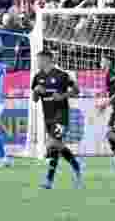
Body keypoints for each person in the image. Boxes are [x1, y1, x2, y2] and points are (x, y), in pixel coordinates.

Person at [31, 50, 82, 189]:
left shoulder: (61, 75)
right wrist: (36, 92)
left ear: (47, 59)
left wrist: (63, 96)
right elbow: (35, 100)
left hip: (61, 115)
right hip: (47, 116)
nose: (37, 62)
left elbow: (77, 90)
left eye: (39, 60)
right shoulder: (37, 77)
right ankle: (72, 169)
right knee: (57, 147)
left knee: (52, 143)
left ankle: (49, 176)